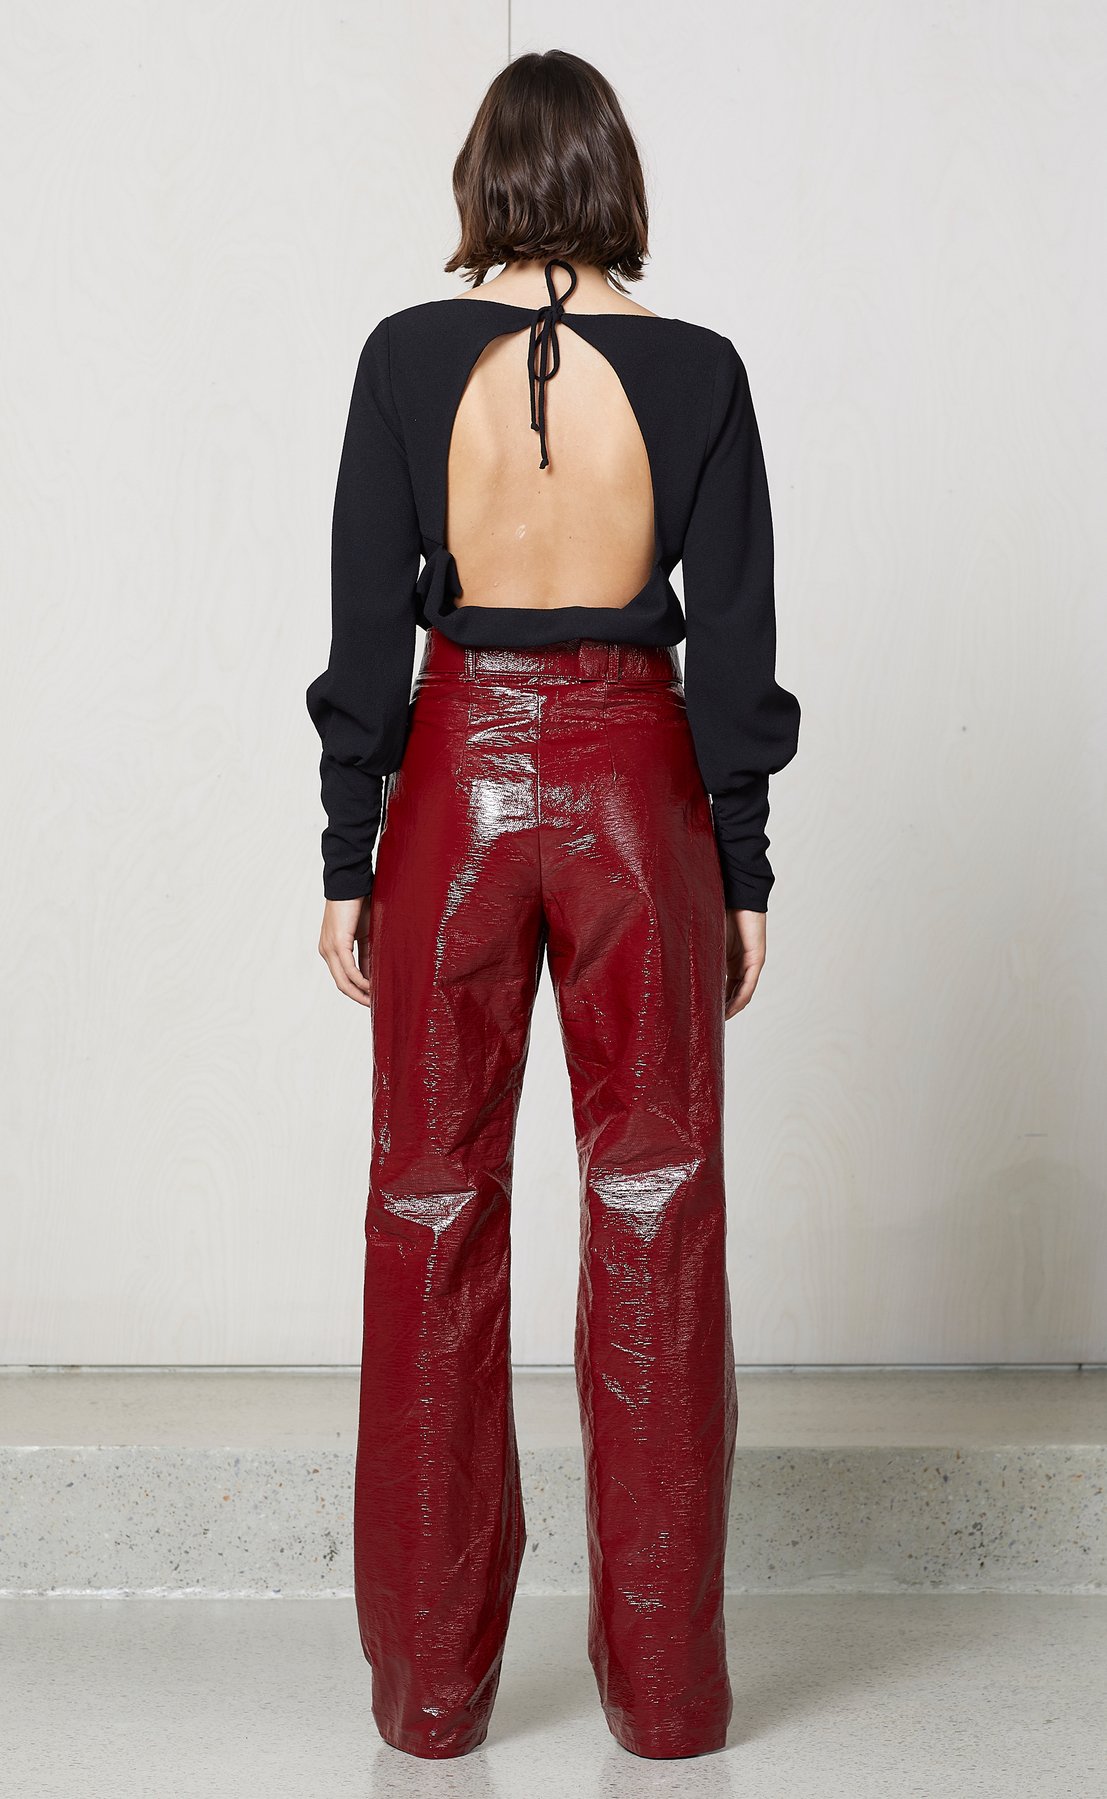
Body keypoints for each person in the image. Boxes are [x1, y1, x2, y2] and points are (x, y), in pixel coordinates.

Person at [306, 47, 802, 1764]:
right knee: (658, 1211)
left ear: (484, 181)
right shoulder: (700, 371)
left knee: (427, 1209)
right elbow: (734, 647)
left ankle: (431, 1698)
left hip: (455, 784)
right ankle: (667, 1698)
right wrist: (740, 865)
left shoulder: (402, 357)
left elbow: (365, 626)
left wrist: (349, 853)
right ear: (614, 179)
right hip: (633, 794)